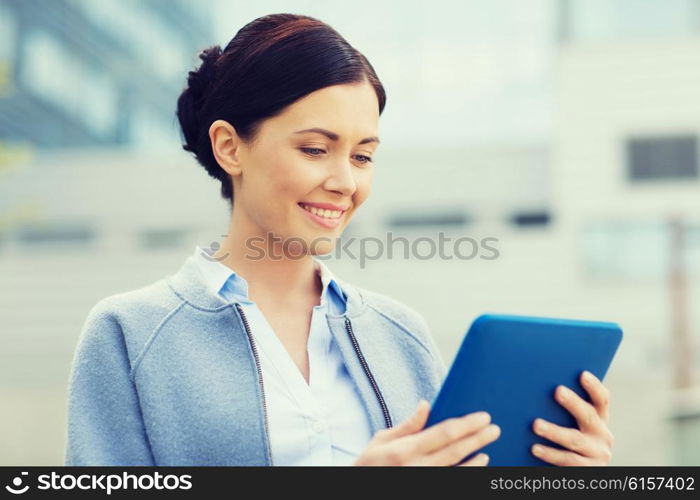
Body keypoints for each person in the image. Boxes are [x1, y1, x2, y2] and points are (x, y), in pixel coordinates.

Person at [64, 13, 614, 466]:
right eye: (314, 149)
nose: (345, 182)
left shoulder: (401, 335)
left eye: (363, 156)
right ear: (230, 147)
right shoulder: (130, 334)